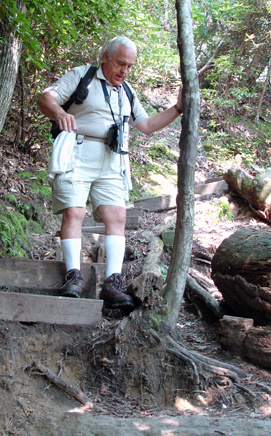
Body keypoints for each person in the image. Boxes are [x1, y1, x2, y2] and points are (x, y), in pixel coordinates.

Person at [38, 36, 183, 313]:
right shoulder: (83, 76)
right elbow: (46, 97)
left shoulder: (127, 91)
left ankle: (112, 283)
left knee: (117, 216)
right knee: (75, 212)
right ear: (106, 56)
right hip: (78, 152)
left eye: (129, 66)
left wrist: (177, 109)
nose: (124, 71)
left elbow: (147, 125)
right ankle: (73, 277)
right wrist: (59, 113)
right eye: (120, 63)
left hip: (113, 158)